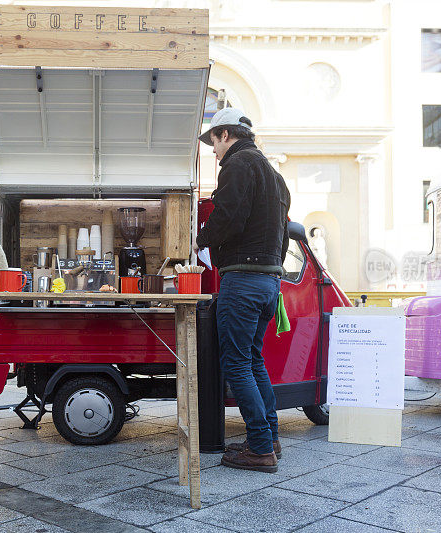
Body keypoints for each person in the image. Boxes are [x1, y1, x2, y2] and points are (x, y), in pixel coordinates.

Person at [194, 107, 291, 473]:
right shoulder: (275, 176)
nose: (213, 151)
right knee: (253, 360)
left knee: (236, 363)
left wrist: (199, 242)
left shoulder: (237, 166)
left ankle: (261, 449)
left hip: (243, 280)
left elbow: (227, 216)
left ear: (224, 134)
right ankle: (269, 437)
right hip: (269, 281)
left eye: (213, 142)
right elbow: (282, 234)